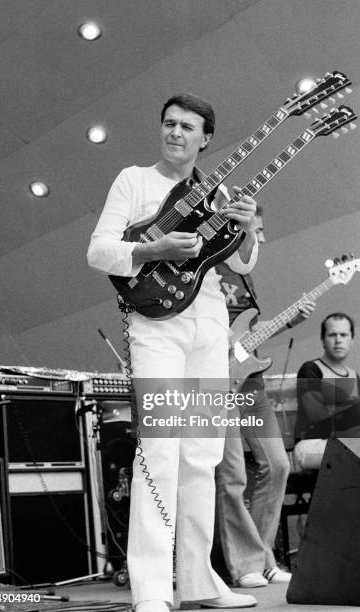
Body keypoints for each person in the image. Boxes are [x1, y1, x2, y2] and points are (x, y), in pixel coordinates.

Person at [87, 93, 260, 611]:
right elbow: (98, 251)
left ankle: (200, 581)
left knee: (202, 457)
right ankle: (152, 591)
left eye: (188, 126)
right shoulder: (133, 180)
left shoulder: (218, 188)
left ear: (206, 138)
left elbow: (243, 266)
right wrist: (150, 250)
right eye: (169, 123)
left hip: (207, 327)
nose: (176, 132)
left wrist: (249, 227)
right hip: (155, 329)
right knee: (159, 453)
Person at [214, 211, 316, 588]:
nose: (262, 239)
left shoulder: (245, 275)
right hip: (216, 380)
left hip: (252, 382)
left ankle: (262, 556)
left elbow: (250, 332)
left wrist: (288, 323)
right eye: (256, 231)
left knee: (277, 465)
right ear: (237, 231)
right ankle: (244, 566)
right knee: (232, 474)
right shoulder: (208, 268)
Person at [294, 312, 360, 469]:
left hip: (347, 442)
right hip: (311, 445)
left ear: (352, 340)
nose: (338, 340)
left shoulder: (354, 375)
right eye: (332, 335)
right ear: (323, 340)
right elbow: (317, 418)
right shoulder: (311, 369)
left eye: (344, 335)